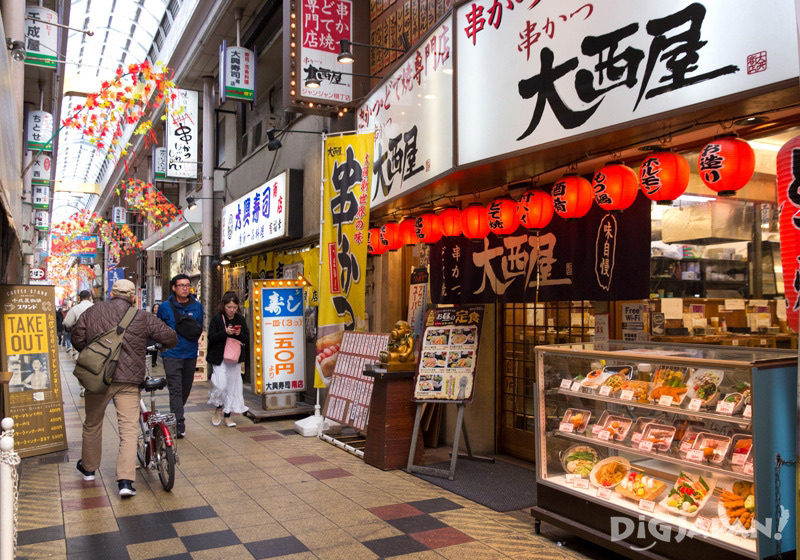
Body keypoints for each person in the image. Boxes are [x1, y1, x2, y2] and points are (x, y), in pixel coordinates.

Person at [71, 279, 177, 498]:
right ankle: (126, 482)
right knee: (129, 430)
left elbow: (77, 340)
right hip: (129, 381)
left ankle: (89, 470)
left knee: (92, 424)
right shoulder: (142, 316)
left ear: (111, 294)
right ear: (133, 297)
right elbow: (170, 337)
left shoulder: (92, 313)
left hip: (98, 379)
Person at [157, 274, 203, 438]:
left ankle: (175, 413)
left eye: (187, 285)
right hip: (171, 354)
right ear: (174, 288)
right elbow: (159, 329)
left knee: (185, 388)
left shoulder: (197, 306)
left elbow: (199, 328)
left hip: (190, 353)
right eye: (181, 285)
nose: (185, 288)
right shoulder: (164, 307)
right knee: (175, 389)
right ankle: (179, 422)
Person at [207, 291, 249, 427]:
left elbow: (247, 338)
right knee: (220, 384)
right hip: (219, 357)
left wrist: (238, 334)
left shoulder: (240, 319)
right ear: (223, 306)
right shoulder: (216, 319)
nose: (232, 310)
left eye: (234, 307)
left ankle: (227, 415)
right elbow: (211, 337)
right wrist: (225, 333)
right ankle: (218, 407)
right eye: (229, 307)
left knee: (232, 387)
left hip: (234, 357)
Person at [65, 290, 93, 359]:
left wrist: (71, 329)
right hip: (94, 337)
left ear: (79, 298)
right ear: (90, 297)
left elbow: (67, 323)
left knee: (79, 358)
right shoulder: (96, 307)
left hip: (79, 337)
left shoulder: (75, 309)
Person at [146, 303, 161, 368]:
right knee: (148, 347)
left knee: (155, 349)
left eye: (157, 307)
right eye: (155, 307)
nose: (156, 309)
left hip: (157, 334)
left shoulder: (161, 316)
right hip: (150, 334)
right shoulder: (149, 315)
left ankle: (153, 362)